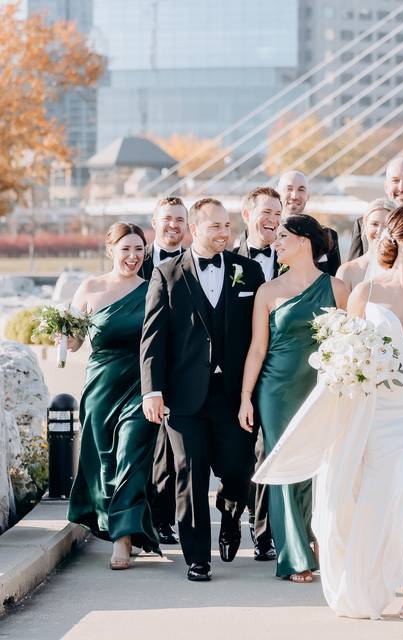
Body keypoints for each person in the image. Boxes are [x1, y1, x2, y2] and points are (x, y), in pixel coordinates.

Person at [255, 205, 403, 621]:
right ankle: (392, 579)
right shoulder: (365, 293)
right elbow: (342, 350)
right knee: (381, 494)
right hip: (378, 406)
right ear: (400, 237)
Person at [140, 198, 265, 582]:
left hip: (233, 395)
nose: (225, 233)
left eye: (227, 226)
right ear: (195, 229)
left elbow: (261, 336)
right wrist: (152, 390)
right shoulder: (166, 274)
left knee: (238, 470)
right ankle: (198, 558)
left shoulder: (249, 272)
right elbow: (153, 338)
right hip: (184, 396)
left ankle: (231, 515)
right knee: (189, 475)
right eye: (215, 227)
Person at [238, 215, 348, 583]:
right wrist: (246, 397)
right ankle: (295, 554)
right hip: (276, 391)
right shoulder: (268, 292)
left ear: (304, 242)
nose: (275, 243)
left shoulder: (338, 288)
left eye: (283, 237)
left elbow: (348, 344)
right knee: (285, 467)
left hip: (322, 388)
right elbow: (255, 349)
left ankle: (319, 538)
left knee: (321, 466)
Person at [67, 223, 159, 570]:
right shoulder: (89, 288)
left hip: (140, 386)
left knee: (130, 456)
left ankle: (123, 539)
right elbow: (74, 343)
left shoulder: (152, 290)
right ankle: (119, 526)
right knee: (104, 460)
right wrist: (60, 333)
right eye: (126, 249)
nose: (134, 256)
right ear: (111, 251)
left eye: (139, 249)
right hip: (101, 386)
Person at [232, 186, 284, 561]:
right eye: (266, 212)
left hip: (281, 371)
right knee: (238, 457)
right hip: (235, 372)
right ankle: (233, 514)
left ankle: (263, 532)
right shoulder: (228, 261)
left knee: (269, 450)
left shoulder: (293, 259)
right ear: (247, 215)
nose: (272, 220)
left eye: (277, 213)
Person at [140, 196, 187, 547]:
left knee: (169, 451)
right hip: (133, 368)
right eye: (167, 219)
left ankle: (162, 520)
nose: (173, 225)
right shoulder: (135, 260)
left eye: (180, 220)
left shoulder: (195, 265)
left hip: (179, 370)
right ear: (155, 222)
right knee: (138, 448)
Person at [277, 170, 342, 275]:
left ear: (308, 195)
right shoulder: (268, 233)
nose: (295, 196)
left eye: (301, 189)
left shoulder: (328, 236)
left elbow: (334, 278)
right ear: (278, 193)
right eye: (289, 189)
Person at [335, 198, 396, 291]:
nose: (380, 231)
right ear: (365, 227)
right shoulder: (347, 271)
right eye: (374, 224)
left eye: (387, 225)